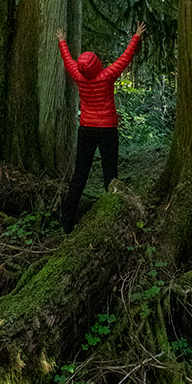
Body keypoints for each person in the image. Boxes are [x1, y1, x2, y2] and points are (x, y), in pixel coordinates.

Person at [56, 21, 146, 232]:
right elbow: (125, 59)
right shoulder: (106, 77)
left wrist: (62, 42)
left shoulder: (80, 78)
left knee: (80, 175)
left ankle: (67, 221)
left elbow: (69, 62)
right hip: (107, 130)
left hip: (86, 129)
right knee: (110, 175)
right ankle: (111, 218)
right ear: (98, 64)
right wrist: (136, 37)